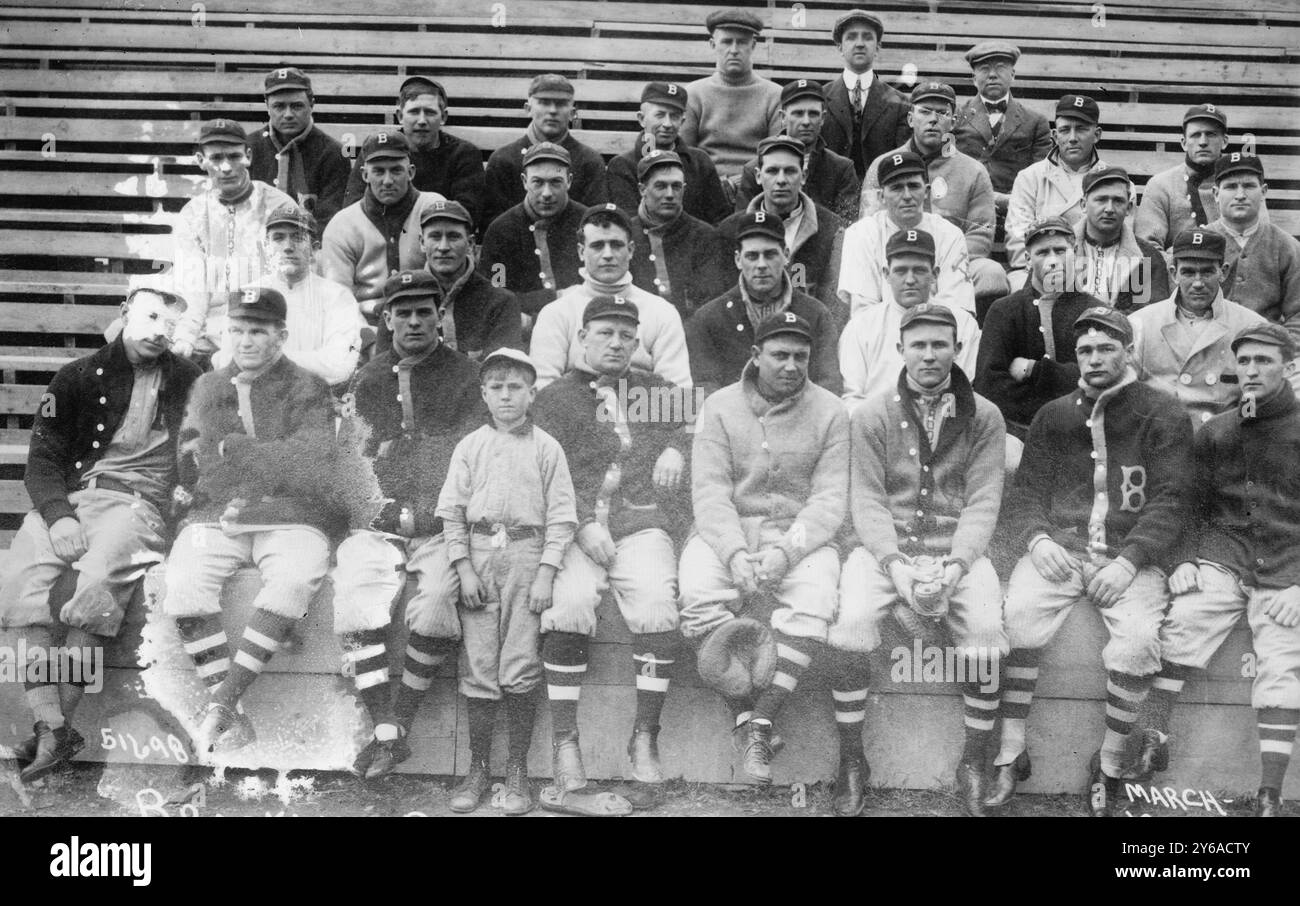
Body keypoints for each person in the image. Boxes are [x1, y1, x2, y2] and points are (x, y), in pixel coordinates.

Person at [985, 307, 1193, 817]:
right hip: (1062, 551)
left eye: (1106, 347)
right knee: (1016, 619)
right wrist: (1036, 540)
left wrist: (1130, 561)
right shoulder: (1055, 414)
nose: (1095, 358)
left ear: (1128, 351)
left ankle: (1111, 764)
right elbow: (1027, 494)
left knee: (1140, 640)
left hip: (1129, 556)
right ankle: (1011, 753)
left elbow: (1173, 499)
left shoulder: (1163, 412)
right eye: (1084, 350)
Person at [1, 288, 201, 782]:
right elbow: (43, 459)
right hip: (72, 501)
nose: (159, 330)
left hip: (140, 506)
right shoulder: (75, 376)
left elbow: (205, 459)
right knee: (19, 588)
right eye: (150, 316)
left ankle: (50, 731)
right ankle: (56, 729)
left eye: (170, 324)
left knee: (92, 590)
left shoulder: (192, 382)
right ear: (125, 314)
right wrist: (58, 515)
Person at [829, 303, 1007, 817]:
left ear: (957, 349)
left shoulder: (985, 415)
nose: (930, 355)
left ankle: (974, 761)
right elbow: (866, 500)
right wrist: (895, 565)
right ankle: (851, 760)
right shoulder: (872, 413)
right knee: (853, 621)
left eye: (940, 345)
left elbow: (982, 501)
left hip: (957, 552)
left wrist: (955, 567)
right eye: (919, 345)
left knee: (986, 630)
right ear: (900, 349)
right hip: (889, 550)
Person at [164, 287, 348, 751]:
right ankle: (233, 715)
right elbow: (193, 461)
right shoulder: (208, 386)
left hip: (292, 513)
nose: (244, 341)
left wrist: (240, 451)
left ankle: (222, 702)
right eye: (237, 330)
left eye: (257, 331)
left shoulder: (308, 386)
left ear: (280, 336)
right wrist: (248, 461)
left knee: (291, 581)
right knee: (184, 587)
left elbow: (313, 462)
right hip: (218, 512)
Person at [1130, 324, 1300, 817]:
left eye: (1264, 361)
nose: (1252, 370)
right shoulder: (1218, 429)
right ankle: (1153, 738)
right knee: (1183, 622)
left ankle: (1269, 792)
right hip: (1224, 556)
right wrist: (1181, 558)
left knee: (1282, 660)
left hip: (1287, 567)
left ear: (1288, 367)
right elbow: (1185, 504)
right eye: (1244, 361)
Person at [533, 294, 691, 813]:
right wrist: (579, 524)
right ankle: (565, 743)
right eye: (606, 332)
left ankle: (644, 736)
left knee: (655, 605)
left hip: (638, 523)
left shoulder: (656, 390)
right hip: (577, 529)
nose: (618, 343)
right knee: (569, 604)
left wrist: (676, 446)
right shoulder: (553, 399)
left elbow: (701, 431)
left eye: (627, 334)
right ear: (582, 338)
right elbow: (542, 475)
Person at [330, 270, 488, 780]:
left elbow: (467, 456)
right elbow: (351, 461)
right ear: (387, 317)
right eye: (405, 312)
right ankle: (384, 728)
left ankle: (401, 719)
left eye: (426, 311)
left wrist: (428, 506)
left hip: (443, 521)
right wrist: (378, 503)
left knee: (439, 601)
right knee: (355, 594)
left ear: (440, 315)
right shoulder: (369, 377)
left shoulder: (465, 375)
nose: (416, 321)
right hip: (379, 520)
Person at [679, 312, 849, 784]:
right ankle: (745, 714)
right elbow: (709, 492)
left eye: (801, 356)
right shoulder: (719, 405)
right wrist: (734, 553)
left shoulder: (831, 409)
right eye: (780, 355)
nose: (792, 365)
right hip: (727, 531)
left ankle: (760, 722)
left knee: (815, 599)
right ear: (755, 356)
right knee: (696, 593)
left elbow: (830, 499)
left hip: (799, 536)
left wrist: (785, 553)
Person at [434, 348, 577, 816]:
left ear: (532, 393)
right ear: (483, 394)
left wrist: (546, 573)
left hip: (525, 555)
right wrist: (463, 566)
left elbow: (561, 519)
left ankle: (516, 769)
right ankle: (478, 768)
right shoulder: (470, 445)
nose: (505, 395)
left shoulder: (547, 447)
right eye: (496, 386)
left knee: (518, 662)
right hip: (479, 554)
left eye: (515, 386)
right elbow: (452, 512)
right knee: (478, 664)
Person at [861, 81, 1008, 313]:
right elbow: (868, 225)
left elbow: (981, 233)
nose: (933, 119)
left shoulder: (973, 170)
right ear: (910, 119)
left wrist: (938, 262)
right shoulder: (883, 165)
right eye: (925, 111)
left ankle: (970, 337)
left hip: (951, 262)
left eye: (942, 113)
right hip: (896, 261)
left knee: (992, 274)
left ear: (953, 121)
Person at [172, 119, 295, 363]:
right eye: (216, 158)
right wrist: (185, 337)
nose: (226, 167)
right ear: (200, 161)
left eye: (234, 156)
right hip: (210, 328)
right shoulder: (193, 214)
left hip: (263, 322)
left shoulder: (279, 206)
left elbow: (289, 281)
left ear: (248, 156)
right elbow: (192, 286)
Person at [529, 204, 691, 391]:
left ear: (630, 250)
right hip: (574, 414)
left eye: (616, 245)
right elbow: (543, 389)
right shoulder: (556, 313)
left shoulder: (661, 311)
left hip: (643, 413)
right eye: (597, 246)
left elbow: (678, 391)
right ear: (581, 252)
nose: (607, 255)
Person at [974, 217, 1107, 440]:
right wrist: (1064, 382)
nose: (1053, 260)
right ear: (1027, 259)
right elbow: (990, 386)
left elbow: (1101, 380)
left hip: (1082, 432)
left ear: (1075, 253)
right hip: (1017, 431)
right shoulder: (1004, 310)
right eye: (1043, 252)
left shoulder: (1095, 312)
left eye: (1060, 250)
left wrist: (1035, 371)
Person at [690, 211, 841, 397]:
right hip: (734, 420)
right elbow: (705, 386)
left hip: (799, 419)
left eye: (770, 255)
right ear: (738, 259)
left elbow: (828, 383)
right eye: (752, 256)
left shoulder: (815, 314)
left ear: (786, 255)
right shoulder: (709, 318)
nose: (761, 265)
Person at [212, 204, 362, 387]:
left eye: (298, 238)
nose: (288, 247)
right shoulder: (247, 295)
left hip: (315, 401)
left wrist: (264, 358)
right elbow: (229, 363)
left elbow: (338, 366)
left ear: (314, 249)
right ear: (266, 247)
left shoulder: (337, 297)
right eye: (278, 238)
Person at [1129, 229, 1267, 428]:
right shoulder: (1140, 324)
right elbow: (1124, 393)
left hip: (1222, 443)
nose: (1198, 283)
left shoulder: (1251, 327)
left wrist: (1243, 430)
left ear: (1224, 272)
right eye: (1188, 272)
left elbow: (1256, 395)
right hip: (1159, 443)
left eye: (1207, 272)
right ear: (1173, 273)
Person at [839, 229, 980, 414]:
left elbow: (964, 391)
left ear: (935, 274)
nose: (910, 280)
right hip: (880, 427)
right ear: (886, 274)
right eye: (901, 271)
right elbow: (852, 399)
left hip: (942, 424)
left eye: (920, 270)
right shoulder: (861, 326)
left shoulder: (962, 323)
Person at [319, 131, 447, 331]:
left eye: (396, 170)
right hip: (366, 326)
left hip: (427, 323)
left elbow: (452, 278)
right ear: (365, 175)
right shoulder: (342, 224)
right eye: (378, 171)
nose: (387, 180)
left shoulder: (432, 207)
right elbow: (337, 300)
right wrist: (367, 341)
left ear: (411, 172)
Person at [839, 150, 975, 316]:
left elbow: (957, 306)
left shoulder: (950, 234)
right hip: (880, 334)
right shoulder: (861, 234)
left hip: (938, 331)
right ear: (882, 196)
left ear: (926, 191)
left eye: (913, 186)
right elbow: (863, 312)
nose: (907, 196)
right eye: (896, 188)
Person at [718, 135, 846, 310]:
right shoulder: (729, 230)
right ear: (758, 176)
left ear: (804, 176)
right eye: (772, 171)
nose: (781, 180)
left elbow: (834, 304)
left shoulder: (831, 228)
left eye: (790, 171)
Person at [342, 76, 486, 226]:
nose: (422, 120)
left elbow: (467, 212)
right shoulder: (376, 149)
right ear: (400, 116)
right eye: (414, 112)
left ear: (443, 117)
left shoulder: (463, 154)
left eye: (430, 112)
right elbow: (353, 207)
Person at [478, 142, 589, 325]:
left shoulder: (587, 224)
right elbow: (496, 296)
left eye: (555, 182)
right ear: (524, 181)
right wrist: (555, 296)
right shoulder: (502, 230)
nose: (546, 193)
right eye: (537, 182)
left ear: (569, 181)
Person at [481, 74, 608, 228]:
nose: (553, 111)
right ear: (528, 109)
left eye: (561, 104)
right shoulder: (503, 160)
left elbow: (595, 221)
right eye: (544, 103)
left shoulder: (589, 161)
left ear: (573, 113)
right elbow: (493, 225)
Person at [952, 42, 1052, 230]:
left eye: (1000, 68)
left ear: (1012, 75)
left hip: (1019, 213)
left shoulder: (1036, 122)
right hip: (966, 211)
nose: (992, 75)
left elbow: (1040, 176)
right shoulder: (955, 118)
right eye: (984, 69)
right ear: (974, 78)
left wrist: (1011, 201)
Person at [680, 8, 782, 192]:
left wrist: (736, 183)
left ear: (753, 45)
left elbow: (776, 157)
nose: (734, 50)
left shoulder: (774, 95)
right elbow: (686, 156)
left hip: (757, 189)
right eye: (727, 42)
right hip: (705, 190)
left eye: (742, 42)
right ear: (712, 44)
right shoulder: (693, 94)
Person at [1005, 95, 1109, 272]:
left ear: (1096, 135)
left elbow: (1120, 243)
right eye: (1065, 130)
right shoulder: (1030, 177)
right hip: (1037, 273)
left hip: (1094, 274)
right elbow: (1018, 241)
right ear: (1054, 135)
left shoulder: (1113, 181)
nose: (1073, 138)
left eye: (1082, 129)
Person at [606, 81, 731, 226]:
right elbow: (628, 222)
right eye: (660, 115)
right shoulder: (622, 165)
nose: (667, 124)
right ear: (641, 119)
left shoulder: (699, 161)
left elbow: (719, 218)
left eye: (674, 116)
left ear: (683, 121)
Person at [735, 79, 860, 222]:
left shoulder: (841, 169)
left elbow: (848, 225)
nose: (806, 121)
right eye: (798, 113)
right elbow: (742, 223)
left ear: (823, 118)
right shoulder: (756, 168)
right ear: (783, 117)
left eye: (813, 114)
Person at [1206, 153, 1300, 344]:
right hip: (1207, 347)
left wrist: (1281, 351)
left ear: (1263, 191)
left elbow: (1298, 316)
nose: (1240, 195)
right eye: (1231, 187)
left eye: (1249, 186)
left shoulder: (1287, 246)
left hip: (1266, 349)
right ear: (1216, 194)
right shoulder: (1199, 242)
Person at [1134, 104, 1256, 250]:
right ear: (1184, 143)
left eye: (1211, 134)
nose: (1203, 142)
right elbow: (1147, 247)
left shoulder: (1243, 185)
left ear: (1224, 141)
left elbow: (1257, 243)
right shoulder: (1160, 185)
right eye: (1195, 135)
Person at [628, 150, 729, 321]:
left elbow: (709, 303)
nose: (669, 194)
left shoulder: (704, 236)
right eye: (660, 186)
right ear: (642, 189)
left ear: (684, 189)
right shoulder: (626, 234)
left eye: (676, 186)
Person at [247, 66, 350, 228]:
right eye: (279, 106)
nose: (288, 114)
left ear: (311, 104)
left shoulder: (333, 152)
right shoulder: (249, 147)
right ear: (267, 106)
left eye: (296, 106)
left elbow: (329, 219)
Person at [419, 199, 522, 359]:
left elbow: (502, 372)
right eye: (435, 236)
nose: (443, 247)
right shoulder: (404, 298)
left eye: (453, 237)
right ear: (422, 243)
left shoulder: (500, 302)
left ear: (471, 244)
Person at [820, 9, 909, 179]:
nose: (859, 43)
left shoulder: (900, 103)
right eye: (851, 37)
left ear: (878, 47)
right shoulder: (820, 98)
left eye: (867, 37)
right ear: (840, 47)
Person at [1071, 167, 1169, 313]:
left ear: (1129, 207)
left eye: (1118, 201)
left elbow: (1152, 316)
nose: (1109, 208)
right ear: (1084, 205)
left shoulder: (1147, 257)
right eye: (1101, 200)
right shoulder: (1058, 250)